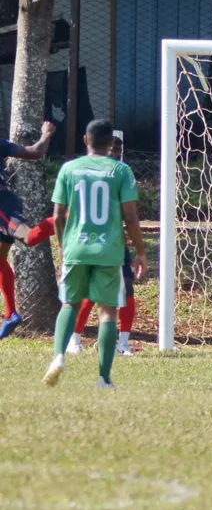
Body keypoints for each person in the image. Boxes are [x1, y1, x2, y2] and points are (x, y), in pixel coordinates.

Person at [43, 120, 148, 389]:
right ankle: (103, 377)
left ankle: (58, 357)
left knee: (70, 303)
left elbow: (57, 217)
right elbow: (130, 216)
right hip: (109, 250)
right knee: (107, 312)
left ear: (84, 140)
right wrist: (141, 252)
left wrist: (63, 248)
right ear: (111, 143)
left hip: (76, 248)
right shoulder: (120, 170)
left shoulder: (69, 169)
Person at [68, 131, 137, 355]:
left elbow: (130, 213)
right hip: (91, 242)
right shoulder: (83, 173)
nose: (115, 153)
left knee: (126, 290)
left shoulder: (123, 174)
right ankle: (75, 341)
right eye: (112, 148)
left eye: (118, 149)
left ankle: (123, 344)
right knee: (89, 293)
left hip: (116, 244)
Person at [0, 120, 58, 339]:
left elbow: (36, 152)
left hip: (2, 206)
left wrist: (46, 135)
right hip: (6, 201)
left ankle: (65, 218)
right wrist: (45, 135)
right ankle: (10, 314)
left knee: (30, 237)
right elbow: (35, 151)